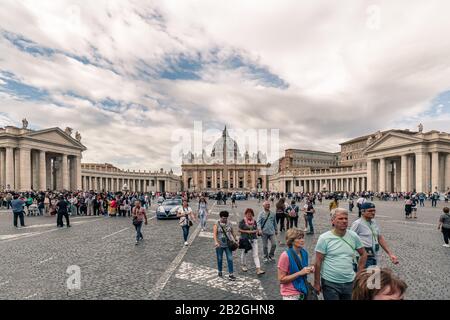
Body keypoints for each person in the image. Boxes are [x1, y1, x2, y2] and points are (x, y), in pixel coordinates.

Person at [314, 208, 367, 300]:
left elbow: (363, 254)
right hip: (330, 282)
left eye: (346, 218)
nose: (344, 221)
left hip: (350, 281)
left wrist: (359, 274)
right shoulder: (324, 238)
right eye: (340, 218)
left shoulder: (353, 236)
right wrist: (317, 283)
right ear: (333, 221)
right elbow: (318, 261)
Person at [351, 202, 399, 268]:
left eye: (374, 210)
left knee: (375, 276)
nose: (373, 213)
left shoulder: (373, 222)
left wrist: (390, 254)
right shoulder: (357, 224)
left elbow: (379, 238)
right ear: (362, 212)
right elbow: (350, 239)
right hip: (364, 257)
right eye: (370, 211)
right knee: (367, 277)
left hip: (375, 255)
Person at [277, 228, 315, 300]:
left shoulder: (304, 253)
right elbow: (281, 279)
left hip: (303, 291)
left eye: (302, 238)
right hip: (290, 294)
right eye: (299, 238)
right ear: (292, 241)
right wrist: (300, 273)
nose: (302, 240)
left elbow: (303, 270)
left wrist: (310, 269)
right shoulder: (285, 256)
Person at [239, 208, 265, 275]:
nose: (249, 216)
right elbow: (239, 230)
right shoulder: (242, 221)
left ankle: (258, 269)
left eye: (251, 215)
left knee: (256, 254)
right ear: (246, 214)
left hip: (254, 239)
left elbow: (256, 229)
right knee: (244, 253)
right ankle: (243, 265)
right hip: (245, 239)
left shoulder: (254, 221)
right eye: (248, 215)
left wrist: (257, 231)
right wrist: (247, 231)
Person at [213, 210, 237, 281]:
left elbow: (232, 232)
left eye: (226, 218)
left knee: (230, 258)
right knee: (219, 259)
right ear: (220, 217)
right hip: (219, 245)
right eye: (223, 218)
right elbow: (214, 234)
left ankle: (231, 274)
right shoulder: (216, 224)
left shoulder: (229, 223)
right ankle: (220, 271)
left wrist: (236, 239)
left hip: (228, 245)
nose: (224, 219)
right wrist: (216, 242)